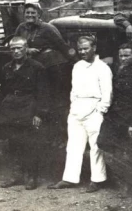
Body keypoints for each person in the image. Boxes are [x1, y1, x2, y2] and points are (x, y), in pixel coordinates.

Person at [48, 36, 112, 193]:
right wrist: (73, 107)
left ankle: (97, 180)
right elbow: (73, 90)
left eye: (86, 48)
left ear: (94, 48)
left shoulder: (103, 68)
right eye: (80, 49)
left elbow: (107, 93)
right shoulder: (77, 66)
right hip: (77, 109)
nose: (82, 52)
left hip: (94, 108)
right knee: (73, 145)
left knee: (96, 146)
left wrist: (100, 110)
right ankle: (70, 178)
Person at [14, 2, 76, 153]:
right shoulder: (21, 28)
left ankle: (61, 136)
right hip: (33, 67)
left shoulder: (47, 28)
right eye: (27, 13)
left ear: (39, 14)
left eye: (33, 13)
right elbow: (15, 43)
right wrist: (27, 49)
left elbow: (62, 46)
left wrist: (75, 63)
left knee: (56, 100)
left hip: (52, 68)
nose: (30, 15)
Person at [98, 43, 132, 197]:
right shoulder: (120, 70)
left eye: (127, 55)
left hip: (130, 120)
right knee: (103, 142)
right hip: (117, 117)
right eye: (121, 55)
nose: (123, 58)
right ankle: (126, 182)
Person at [0, 36, 49, 190]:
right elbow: (3, 89)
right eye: (13, 48)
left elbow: (44, 93)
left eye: (19, 48)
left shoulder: (37, 67)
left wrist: (39, 114)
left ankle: (31, 177)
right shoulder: (7, 68)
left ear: (26, 48)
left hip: (29, 107)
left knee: (29, 143)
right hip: (11, 107)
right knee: (12, 142)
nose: (16, 51)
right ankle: (16, 175)